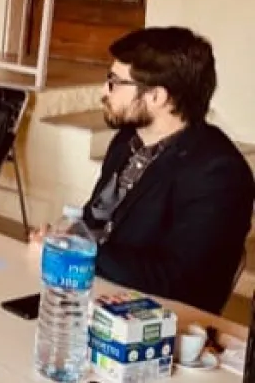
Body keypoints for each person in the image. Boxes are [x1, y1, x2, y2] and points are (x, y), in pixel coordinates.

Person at [31, 27, 254, 314]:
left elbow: (183, 281)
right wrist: (60, 240)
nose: (103, 91)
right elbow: (95, 223)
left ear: (157, 97)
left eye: (114, 82)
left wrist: (84, 254)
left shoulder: (218, 173)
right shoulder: (127, 141)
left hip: (150, 324)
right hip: (88, 296)